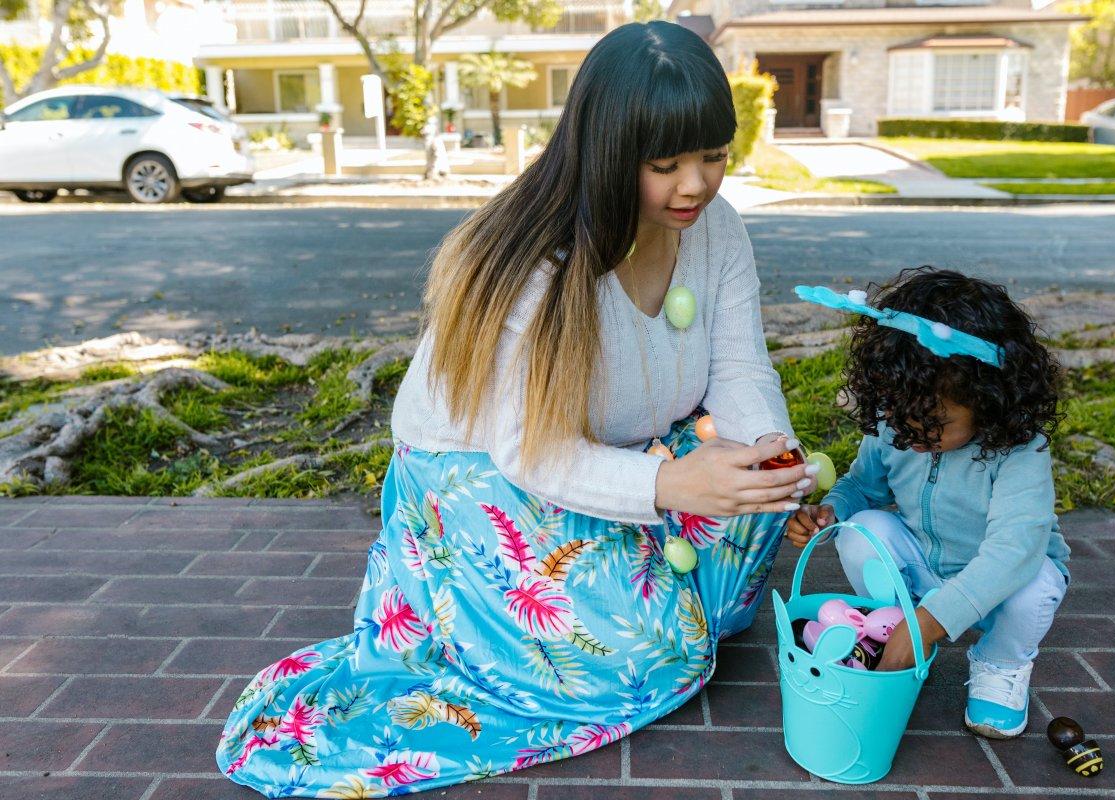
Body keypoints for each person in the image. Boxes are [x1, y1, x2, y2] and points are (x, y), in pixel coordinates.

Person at [216, 20, 817, 797]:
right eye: (665, 164)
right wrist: (669, 488)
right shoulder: (539, 264)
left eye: (713, 155)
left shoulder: (717, 231)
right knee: (646, 660)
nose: (696, 185)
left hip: (628, 447)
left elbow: (739, 367)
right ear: (606, 152)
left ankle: (656, 573)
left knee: (759, 492)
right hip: (485, 472)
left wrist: (774, 451)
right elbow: (531, 454)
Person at [786, 268, 1070, 740]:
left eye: (935, 422)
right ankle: (889, 630)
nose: (913, 433)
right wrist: (832, 511)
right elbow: (863, 488)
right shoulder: (895, 425)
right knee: (868, 529)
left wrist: (927, 623)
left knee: (1036, 579)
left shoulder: (1020, 450)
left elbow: (1012, 551)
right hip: (924, 569)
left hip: (999, 585)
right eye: (900, 415)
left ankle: (1000, 665)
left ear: (990, 400)